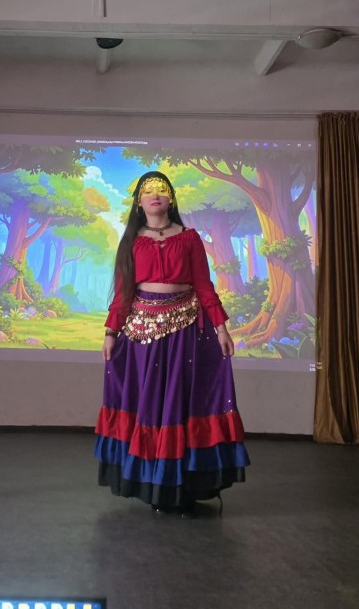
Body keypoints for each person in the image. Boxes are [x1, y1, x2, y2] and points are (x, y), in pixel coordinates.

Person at [94, 170, 250, 517]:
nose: (155, 195)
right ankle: (153, 487)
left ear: (171, 199)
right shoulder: (131, 241)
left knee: (178, 405)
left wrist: (222, 328)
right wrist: (110, 333)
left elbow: (204, 285)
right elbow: (123, 291)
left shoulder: (190, 238)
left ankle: (181, 489)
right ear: (139, 202)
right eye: (148, 191)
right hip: (143, 336)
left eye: (161, 190)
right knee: (149, 406)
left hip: (186, 333)